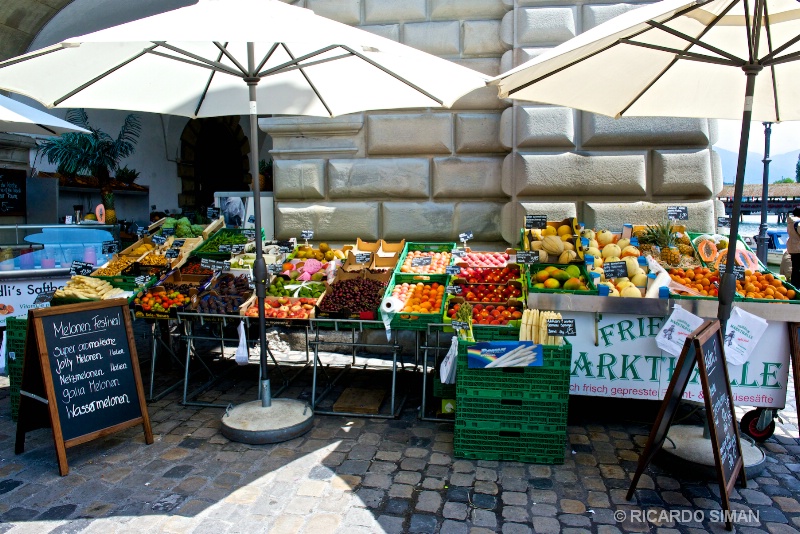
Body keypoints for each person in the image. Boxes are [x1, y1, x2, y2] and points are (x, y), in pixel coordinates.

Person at [787, 207, 800, 288]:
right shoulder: (798, 223)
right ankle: (797, 286)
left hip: (792, 248)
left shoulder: (790, 222)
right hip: (799, 248)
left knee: (795, 268)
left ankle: (794, 286)